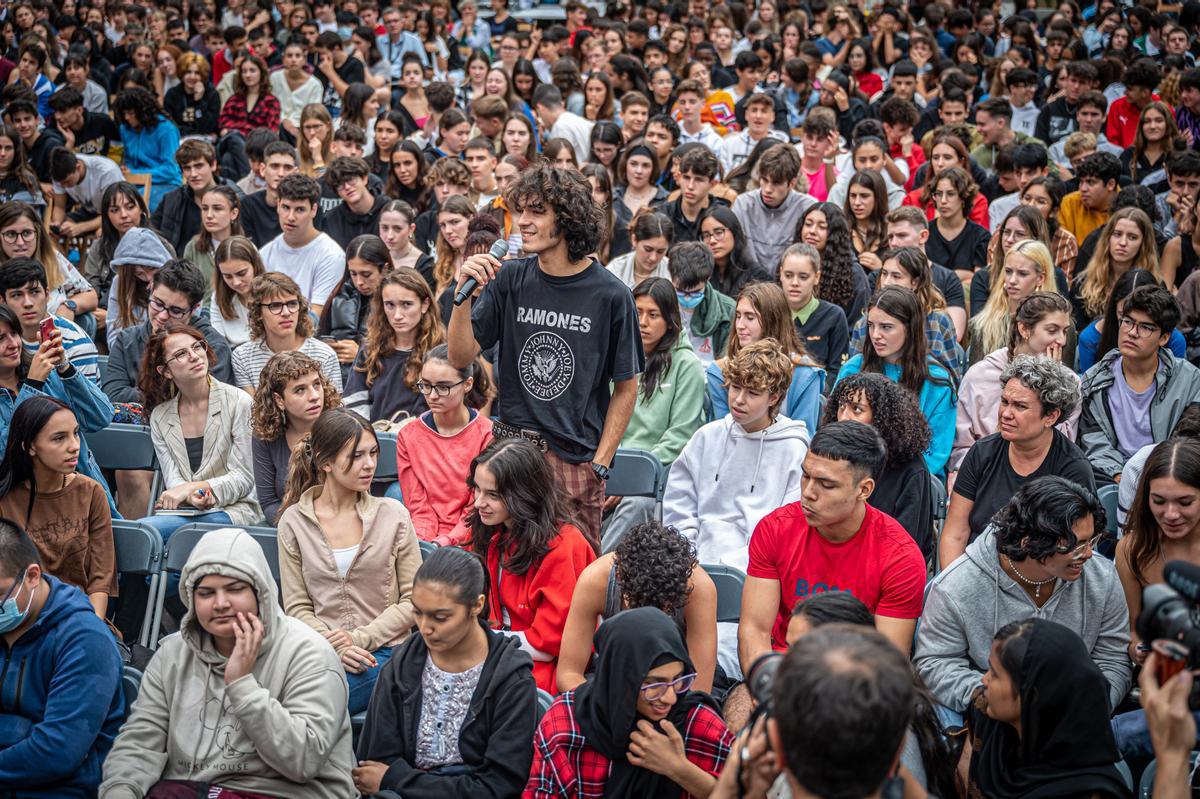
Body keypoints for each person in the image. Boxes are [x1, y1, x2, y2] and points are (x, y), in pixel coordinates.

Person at [448, 163, 643, 550]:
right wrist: (464, 295)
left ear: (567, 219)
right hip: (511, 452)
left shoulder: (611, 295)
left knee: (573, 580)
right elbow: (460, 354)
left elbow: (626, 387)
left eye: (537, 211)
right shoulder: (509, 278)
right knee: (505, 569)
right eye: (521, 210)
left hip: (573, 462)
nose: (523, 221)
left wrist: (600, 462)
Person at [98, 527, 355, 797]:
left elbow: (303, 761)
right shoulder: (172, 654)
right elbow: (140, 744)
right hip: (190, 787)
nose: (220, 603)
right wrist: (121, 790)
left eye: (234, 589)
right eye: (206, 593)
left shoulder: (309, 653)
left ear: (261, 593)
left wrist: (243, 685)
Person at [915, 476, 1132, 714]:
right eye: (1076, 545)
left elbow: (1112, 659)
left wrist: (1087, 705)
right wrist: (998, 700)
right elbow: (934, 664)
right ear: (1029, 543)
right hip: (995, 718)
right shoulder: (957, 586)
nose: (1089, 554)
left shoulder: (1102, 577)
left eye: (1091, 541)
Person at [739, 419, 926, 678]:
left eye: (826, 485)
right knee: (738, 708)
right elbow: (755, 630)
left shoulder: (900, 557)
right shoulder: (775, 529)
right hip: (782, 673)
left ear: (864, 489)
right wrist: (764, 687)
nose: (808, 493)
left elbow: (887, 661)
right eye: (806, 476)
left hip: (852, 682)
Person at [352, 545, 539, 799]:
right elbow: (375, 762)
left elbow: (499, 787)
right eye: (418, 613)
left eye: (440, 617)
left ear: (476, 606)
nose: (425, 628)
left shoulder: (510, 679)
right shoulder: (404, 663)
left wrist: (399, 780)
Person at [277, 408, 420, 715]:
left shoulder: (392, 514)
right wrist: (334, 646)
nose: (369, 464)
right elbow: (297, 607)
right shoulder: (293, 522)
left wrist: (358, 639)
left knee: (308, 705)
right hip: (319, 650)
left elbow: (414, 600)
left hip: (386, 650)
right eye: (356, 456)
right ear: (325, 462)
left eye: (372, 453)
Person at [524, 607, 733, 799]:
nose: (670, 697)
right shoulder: (566, 725)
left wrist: (679, 769)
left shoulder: (696, 722)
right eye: (654, 684)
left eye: (679, 680)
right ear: (619, 678)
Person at [0, 517, 124, 797]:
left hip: (64, 789)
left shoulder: (85, 640)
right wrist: (19, 731)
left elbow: (57, 752)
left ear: (32, 576)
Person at [663, 339, 808, 575]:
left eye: (752, 393)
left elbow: (788, 522)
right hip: (693, 561)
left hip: (757, 567)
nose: (739, 399)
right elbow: (679, 502)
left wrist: (741, 563)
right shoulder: (707, 436)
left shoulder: (794, 450)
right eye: (735, 387)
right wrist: (687, 552)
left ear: (773, 398)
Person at [943, 355, 1095, 567]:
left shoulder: (1072, 469)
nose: (1005, 413)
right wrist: (954, 587)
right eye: (1004, 402)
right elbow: (955, 533)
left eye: (1020, 406)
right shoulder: (982, 453)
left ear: (1051, 416)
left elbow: (1072, 550)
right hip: (975, 569)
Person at [469, 437, 595, 692]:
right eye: (476, 489)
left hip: (540, 670)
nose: (478, 502)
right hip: (503, 650)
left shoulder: (564, 546)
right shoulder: (495, 530)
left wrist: (477, 641)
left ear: (524, 495)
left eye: (492, 494)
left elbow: (547, 647)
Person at [966, 619, 1132, 799]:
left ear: (1032, 696)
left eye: (995, 674)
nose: (984, 679)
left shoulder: (1085, 790)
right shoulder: (986, 716)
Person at [602, 278, 706, 551]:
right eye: (637, 313)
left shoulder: (687, 366)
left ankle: (592, 577)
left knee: (637, 504)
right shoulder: (616, 354)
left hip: (654, 479)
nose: (643, 322)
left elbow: (680, 436)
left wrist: (630, 478)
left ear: (670, 320)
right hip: (608, 468)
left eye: (653, 314)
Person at [559, 521, 717, 696]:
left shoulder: (699, 589)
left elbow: (699, 689)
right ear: (620, 579)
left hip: (676, 685)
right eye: (639, 607)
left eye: (663, 610)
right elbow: (568, 674)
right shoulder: (595, 580)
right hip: (614, 680)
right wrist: (607, 710)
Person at [136, 323, 262, 544]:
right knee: (145, 536)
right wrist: (192, 498)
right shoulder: (161, 416)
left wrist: (198, 489)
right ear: (165, 371)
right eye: (181, 354)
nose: (194, 356)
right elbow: (174, 480)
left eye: (197, 347)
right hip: (188, 512)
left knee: (149, 531)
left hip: (236, 509)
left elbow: (245, 479)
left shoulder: (239, 402)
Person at [0, 396, 114, 618]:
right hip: (21, 621)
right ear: (29, 446)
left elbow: (100, 580)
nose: (74, 446)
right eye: (59, 438)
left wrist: (91, 627)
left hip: (80, 616)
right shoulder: (6, 501)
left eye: (76, 433)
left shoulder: (91, 492)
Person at [1080, 285, 1200, 483]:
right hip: (1111, 477)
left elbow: (1188, 440)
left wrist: (1154, 477)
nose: (1132, 332)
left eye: (1145, 327)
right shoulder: (1095, 380)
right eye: (1127, 322)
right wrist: (1121, 477)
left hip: (1170, 474)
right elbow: (1094, 441)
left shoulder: (1190, 380)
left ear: (1164, 338)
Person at [836, 287, 956, 477]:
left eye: (886, 327)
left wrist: (889, 480)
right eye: (871, 325)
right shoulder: (853, 369)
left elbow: (936, 453)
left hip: (912, 479)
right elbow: (834, 429)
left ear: (910, 328)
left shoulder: (937, 381)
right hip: (852, 473)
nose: (875, 335)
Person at [955, 292, 1078, 472]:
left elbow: (1065, 447)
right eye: (1052, 331)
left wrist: (1053, 383)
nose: (1062, 340)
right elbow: (960, 447)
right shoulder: (979, 376)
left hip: (1045, 478)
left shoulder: (1071, 383)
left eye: (1065, 331)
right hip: (982, 473)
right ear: (1024, 329)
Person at [821, 373, 934, 558]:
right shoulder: (831, 457)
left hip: (885, 566)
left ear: (882, 418)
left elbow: (907, 544)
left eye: (857, 409)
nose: (843, 417)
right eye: (841, 407)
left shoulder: (911, 470)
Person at [396, 344, 494, 546]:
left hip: (473, 535)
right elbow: (418, 503)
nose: (432, 396)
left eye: (443, 387)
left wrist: (448, 540)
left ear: (467, 384)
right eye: (426, 385)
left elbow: (477, 505)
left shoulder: (487, 434)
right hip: (426, 536)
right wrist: (426, 543)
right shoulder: (408, 435)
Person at [103, 260, 234, 405]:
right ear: (151, 288)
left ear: (194, 309)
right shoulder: (126, 340)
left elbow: (208, 398)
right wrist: (177, 390)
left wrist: (143, 394)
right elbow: (112, 395)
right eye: (158, 303)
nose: (162, 316)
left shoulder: (213, 347)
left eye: (176, 311)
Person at [706, 283, 824, 434]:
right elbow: (721, 432)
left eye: (750, 317)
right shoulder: (720, 371)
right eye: (738, 316)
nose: (740, 325)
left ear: (773, 321)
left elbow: (804, 436)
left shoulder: (805, 374)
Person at [252, 352, 343, 524]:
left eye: (317, 385)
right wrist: (296, 528)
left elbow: (354, 496)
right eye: (300, 390)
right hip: (290, 524)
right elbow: (269, 502)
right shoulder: (265, 436)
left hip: (339, 523)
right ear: (279, 400)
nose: (314, 396)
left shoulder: (341, 427)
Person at [344, 267, 443, 422]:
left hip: (421, 438)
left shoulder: (440, 351)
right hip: (374, 439)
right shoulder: (370, 349)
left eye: (406, 304)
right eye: (390, 305)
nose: (397, 315)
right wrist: (369, 435)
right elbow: (354, 401)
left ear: (424, 304)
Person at [849, 246, 963, 377]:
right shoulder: (866, 322)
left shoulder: (937, 322)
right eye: (884, 274)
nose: (886, 282)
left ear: (915, 282)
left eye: (896, 276)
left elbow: (951, 377)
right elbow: (854, 373)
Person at [231, 272, 343, 393]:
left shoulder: (324, 354)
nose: (286, 312)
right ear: (258, 313)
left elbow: (333, 408)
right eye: (275, 306)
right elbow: (252, 409)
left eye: (292, 304)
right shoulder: (243, 357)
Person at [0, 259, 100, 382]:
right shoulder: (6, 342)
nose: (28, 303)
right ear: (3, 301)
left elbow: (86, 400)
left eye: (34, 292)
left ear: (47, 295)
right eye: (17, 295)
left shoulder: (75, 342)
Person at [259, 174, 345, 316]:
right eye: (286, 207)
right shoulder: (265, 254)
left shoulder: (332, 256)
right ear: (278, 205)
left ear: (314, 210)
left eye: (299, 209)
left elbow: (315, 316)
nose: (291, 217)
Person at [968, 240, 1059, 365]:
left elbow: (1065, 380)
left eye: (1022, 273)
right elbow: (974, 378)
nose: (1012, 280)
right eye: (1008, 271)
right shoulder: (984, 324)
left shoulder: (1059, 328)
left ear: (1040, 279)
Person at [1080, 269, 1187, 374]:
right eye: (1125, 318)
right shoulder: (1090, 338)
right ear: (1114, 308)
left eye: (1145, 326)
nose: (1132, 332)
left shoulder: (1174, 340)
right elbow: (1088, 385)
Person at [1072, 207, 1162, 330]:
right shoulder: (1083, 283)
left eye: (1132, 237)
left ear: (1143, 244)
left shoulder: (1156, 287)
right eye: (1117, 234)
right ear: (1108, 238)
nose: (1123, 242)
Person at [316, 234, 392, 377]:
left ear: (385, 269)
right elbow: (319, 334)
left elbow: (403, 354)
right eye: (353, 273)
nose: (359, 282)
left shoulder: (396, 302)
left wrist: (362, 354)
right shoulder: (338, 296)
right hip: (340, 378)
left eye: (366, 274)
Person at [732, 144, 815, 274]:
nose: (768, 189)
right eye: (764, 180)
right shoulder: (743, 204)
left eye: (776, 183)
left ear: (792, 183)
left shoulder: (808, 208)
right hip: (749, 284)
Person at [776, 243, 849, 376]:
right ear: (781, 274)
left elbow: (837, 372)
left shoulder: (834, 316)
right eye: (788, 275)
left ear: (817, 277)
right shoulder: (770, 312)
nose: (794, 283)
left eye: (803, 277)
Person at [112, 87, 182, 211]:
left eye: (131, 113)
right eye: (124, 113)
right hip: (134, 182)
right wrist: (126, 169)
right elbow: (129, 160)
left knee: (133, 204)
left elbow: (171, 169)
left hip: (166, 183)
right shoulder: (125, 128)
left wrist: (135, 173)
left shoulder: (166, 129)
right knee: (112, 198)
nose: (127, 117)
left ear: (143, 111)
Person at [696, 205, 772, 299]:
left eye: (719, 232)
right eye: (706, 235)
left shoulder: (757, 277)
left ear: (734, 232)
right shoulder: (700, 273)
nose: (712, 241)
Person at [208, 235, 264, 350]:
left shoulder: (273, 293)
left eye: (242, 273)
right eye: (228, 276)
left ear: (255, 265)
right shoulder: (218, 298)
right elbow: (219, 343)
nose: (236, 282)